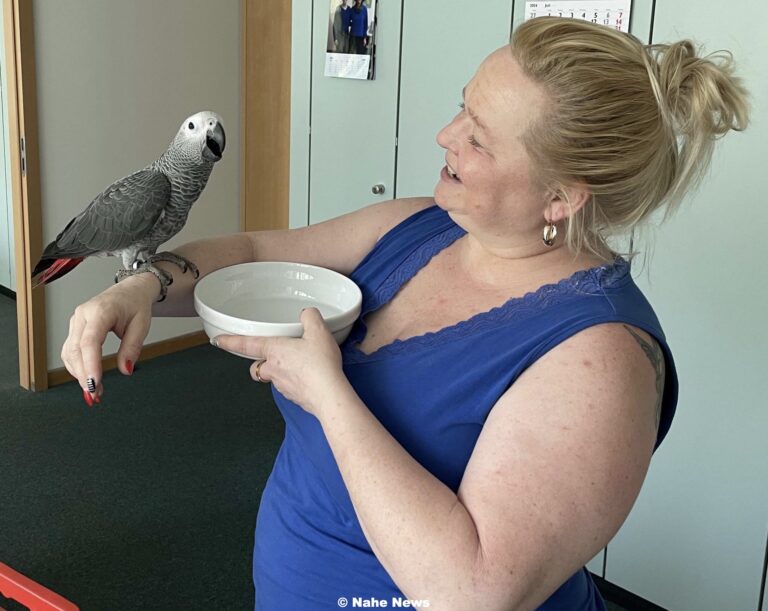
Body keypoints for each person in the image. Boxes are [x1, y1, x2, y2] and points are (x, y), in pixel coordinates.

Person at [61, 17, 748, 611]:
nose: (445, 134)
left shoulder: (601, 359)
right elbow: (253, 253)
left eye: (478, 139)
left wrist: (330, 395)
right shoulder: (421, 225)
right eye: (461, 107)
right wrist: (143, 287)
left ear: (561, 198)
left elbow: (470, 590)